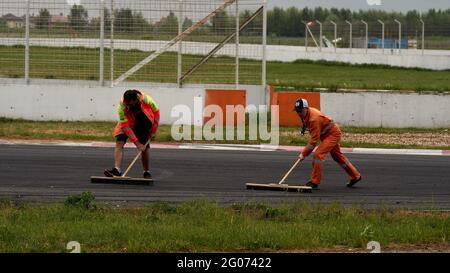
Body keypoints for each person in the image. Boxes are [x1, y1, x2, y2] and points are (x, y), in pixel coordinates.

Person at [294, 98, 362, 189]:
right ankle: (356, 176)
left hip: (332, 134)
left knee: (318, 154)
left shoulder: (314, 118)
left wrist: (304, 154)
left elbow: (313, 141)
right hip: (326, 135)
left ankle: (314, 182)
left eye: (301, 111)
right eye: (297, 111)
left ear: (306, 108)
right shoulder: (306, 115)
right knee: (337, 156)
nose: (299, 114)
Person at [104, 89, 160, 179]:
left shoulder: (146, 100)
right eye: (126, 104)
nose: (127, 106)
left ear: (135, 100)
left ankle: (146, 171)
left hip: (143, 122)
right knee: (119, 142)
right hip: (128, 122)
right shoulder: (121, 106)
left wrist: (153, 130)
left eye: (129, 104)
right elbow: (125, 126)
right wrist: (137, 143)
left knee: (144, 148)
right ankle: (117, 169)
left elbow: (157, 112)